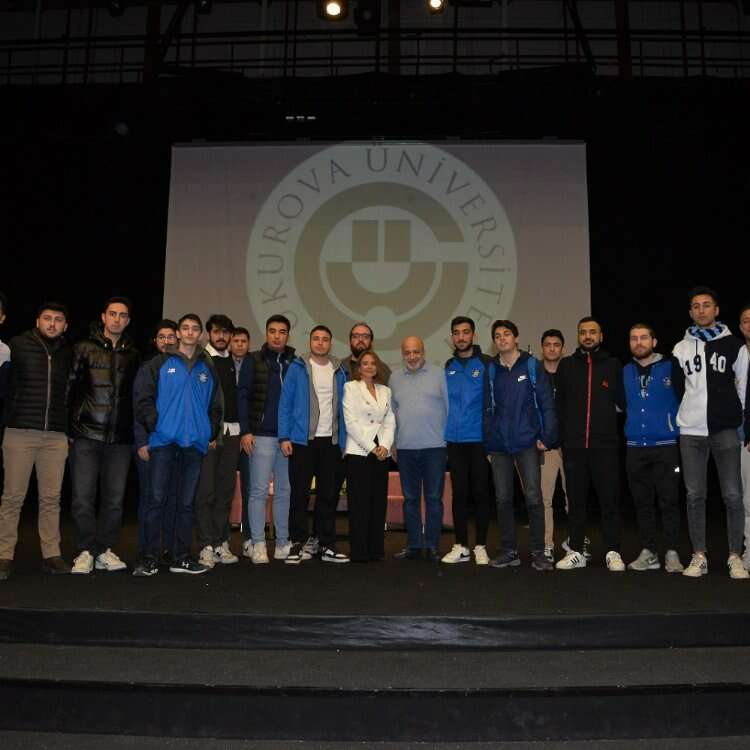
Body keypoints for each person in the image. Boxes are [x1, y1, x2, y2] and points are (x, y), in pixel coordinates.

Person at [134, 313, 222, 576]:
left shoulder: (207, 366)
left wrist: (208, 432)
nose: (190, 332)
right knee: (156, 499)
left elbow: (216, 405)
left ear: (201, 335)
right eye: (186, 328)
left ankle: (181, 557)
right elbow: (143, 398)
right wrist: (156, 425)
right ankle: (149, 558)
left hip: (194, 444)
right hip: (164, 442)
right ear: (179, 333)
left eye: (195, 328)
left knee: (186, 503)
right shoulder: (159, 363)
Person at [673, 287, 749, 579]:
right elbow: (678, 389)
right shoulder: (681, 348)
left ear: (716, 310)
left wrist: (737, 422)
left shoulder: (735, 346)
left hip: (725, 429)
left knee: (733, 494)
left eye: (706, 305)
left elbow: (743, 388)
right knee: (694, 495)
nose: (701, 310)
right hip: (691, 432)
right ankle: (699, 555)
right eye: (696, 306)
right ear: (690, 312)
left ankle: (735, 556)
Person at [0, 302, 73, 580]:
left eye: (58, 319)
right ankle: (4, 556)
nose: (52, 323)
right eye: (47, 318)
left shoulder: (68, 352)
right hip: (20, 432)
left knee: (51, 499)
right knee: (12, 498)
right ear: (37, 321)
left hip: (55, 435)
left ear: (65, 325)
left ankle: (51, 555)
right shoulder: (17, 346)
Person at [69, 297, 140, 574]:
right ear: (103, 316)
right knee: (83, 497)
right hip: (86, 434)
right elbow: (70, 389)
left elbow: (136, 398)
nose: (117, 319)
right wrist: (69, 429)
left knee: (114, 499)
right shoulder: (84, 347)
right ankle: (86, 550)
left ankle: (105, 549)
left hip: (120, 439)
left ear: (128, 321)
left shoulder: (134, 354)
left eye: (123, 315)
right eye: (112, 314)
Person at [483, 320, 558, 571]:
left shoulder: (532, 365)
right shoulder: (491, 370)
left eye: (507, 334)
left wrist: (547, 437)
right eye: (497, 336)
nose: (502, 339)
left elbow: (547, 404)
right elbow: (487, 409)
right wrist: (488, 444)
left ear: (516, 338)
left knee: (534, 498)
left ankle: (538, 552)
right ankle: (509, 551)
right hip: (499, 445)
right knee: (503, 499)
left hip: (527, 442)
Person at [554, 316, 626, 572]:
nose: (587, 336)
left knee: (609, 501)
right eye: (583, 332)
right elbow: (559, 406)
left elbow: (622, 403)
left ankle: (613, 551)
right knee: (576, 502)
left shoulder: (613, 365)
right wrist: (563, 438)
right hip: (574, 447)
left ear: (601, 336)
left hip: (605, 446)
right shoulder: (566, 366)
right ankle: (576, 551)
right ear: (578, 336)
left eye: (592, 332)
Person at [279, 325, 349, 564]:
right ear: (310, 342)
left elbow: (344, 409)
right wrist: (284, 437)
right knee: (299, 494)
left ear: (331, 343)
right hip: (302, 441)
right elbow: (285, 404)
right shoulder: (297, 368)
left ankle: (325, 543)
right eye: (316, 339)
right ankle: (297, 543)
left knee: (328, 495)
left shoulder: (339, 370)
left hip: (331, 442)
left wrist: (344, 441)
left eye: (325, 339)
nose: (320, 343)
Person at [623, 324, 685, 573]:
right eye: (634, 338)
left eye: (644, 338)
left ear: (654, 341)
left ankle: (672, 551)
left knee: (669, 500)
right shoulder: (625, 370)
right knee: (642, 502)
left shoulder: (671, 367)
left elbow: (686, 397)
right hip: (635, 447)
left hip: (665, 445)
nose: (639, 342)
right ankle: (649, 551)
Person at [238, 314, 295, 564]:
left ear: (288, 335)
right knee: (258, 491)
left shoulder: (295, 363)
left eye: (282, 332)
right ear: (266, 333)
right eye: (272, 331)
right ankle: (258, 543)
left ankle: (282, 543)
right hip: (260, 436)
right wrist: (246, 431)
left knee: (284, 491)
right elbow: (242, 395)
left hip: (286, 439)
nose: (277, 336)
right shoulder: (253, 360)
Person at [389, 336, 450, 561]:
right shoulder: (394, 378)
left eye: (416, 351)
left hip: (435, 448)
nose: (412, 356)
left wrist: (448, 442)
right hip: (405, 449)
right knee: (410, 499)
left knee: (433, 499)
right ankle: (414, 545)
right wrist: (393, 443)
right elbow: (391, 414)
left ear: (423, 352)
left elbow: (449, 409)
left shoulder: (439, 374)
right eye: (407, 352)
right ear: (402, 354)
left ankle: (432, 545)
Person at [441, 316, 493, 565]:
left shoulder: (487, 363)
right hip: (454, 440)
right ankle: (461, 545)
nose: (461, 337)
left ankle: (480, 545)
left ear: (473, 335)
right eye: (456, 333)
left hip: (480, 439)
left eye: (465, 332)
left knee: (481, 492)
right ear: (452, 337)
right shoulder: (448, 366)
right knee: (459, 493)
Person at [196, 314, 242, 569]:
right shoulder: (202, 359)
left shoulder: (234, 360)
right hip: (210, 435)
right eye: (217, 332)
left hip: (233, 433)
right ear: (208, 334)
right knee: (206, 492)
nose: (221, 337)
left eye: (225, 332)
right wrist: (209, 433)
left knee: (225, 492)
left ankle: (220, 542)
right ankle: (205, 544)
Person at [133, 319, 178, 565]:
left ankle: (168, 549)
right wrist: (142, 441)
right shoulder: (147, 367)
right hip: (150, 442)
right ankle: (146, 550)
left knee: (171, 498)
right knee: (151, 498)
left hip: (174, 444)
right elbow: (140, 406)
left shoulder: (183, 366)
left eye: (171, 337)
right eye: (162, 337)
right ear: (155, 341)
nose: (167, 341)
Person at [342, 350, 395, 562]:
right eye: (365, 363)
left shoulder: (385, 390)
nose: (370, 366)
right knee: (359, 503)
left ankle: (376, 549)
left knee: (378, 502)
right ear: (359, 367)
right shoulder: (351, 387)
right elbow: (351, 423)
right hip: (360, 451)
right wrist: (372, 447)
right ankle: (359, 550)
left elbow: (390, 421)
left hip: (381, 452)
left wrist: (385, 446)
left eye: (373, 363)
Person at [538, 329, 576, 563]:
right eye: (548, 345)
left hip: (570, 444)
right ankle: (547, 544)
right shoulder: (535, 374)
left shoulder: (570, 373)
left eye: (556, 345)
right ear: (542, 348)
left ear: (562, 348)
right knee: (545, 499)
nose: (552, 348)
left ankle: (575, 542)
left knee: (574, 496)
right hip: (546, 446)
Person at [228, 327, 251, 550]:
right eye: (236, 341)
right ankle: (221, 541)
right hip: (226, 432)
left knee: (250, 488)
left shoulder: (254, 364)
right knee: (223, 488)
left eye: (244, 341)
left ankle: (249, 539)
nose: (240, 344)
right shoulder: (221, 364)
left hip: (248, 433)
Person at [738, 303, 750, 569]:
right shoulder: (737, 355)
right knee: (747, 499)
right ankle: (749, 553)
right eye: (746, 321)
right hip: (742, 433)